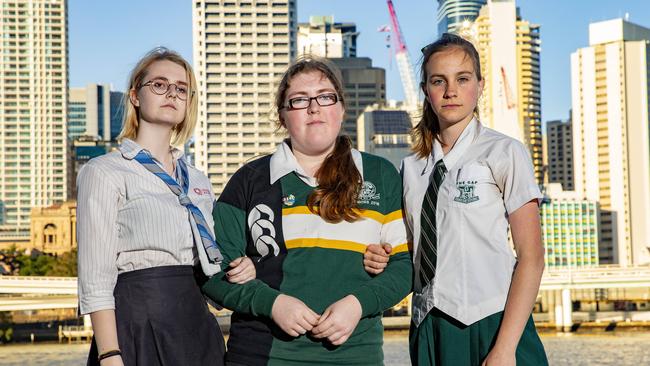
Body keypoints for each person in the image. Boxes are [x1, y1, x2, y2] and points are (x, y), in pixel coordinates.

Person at [200, 56, 413, 365]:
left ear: (341, 108)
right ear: (283, 116)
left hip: (355, 356)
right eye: (299, 100)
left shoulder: (379, 174)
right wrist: (272, 304)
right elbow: (212, 272)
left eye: (325, 96)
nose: (314, 107)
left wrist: (357, 304)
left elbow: (404, 266)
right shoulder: (250, 180)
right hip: (262, 355)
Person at [364, 33, 549, 365]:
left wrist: (505, 349)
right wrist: (383, 255)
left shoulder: (505, 152)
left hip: (492, 322)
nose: (451, 90)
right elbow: (413, 250)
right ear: (426, 91)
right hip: (427, 325)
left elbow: (532, 257)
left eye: (462, 79)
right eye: (439, 80)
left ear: (479, 85)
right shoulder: (411, 168)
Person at [77, 47, 256, 366]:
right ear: (135, 95)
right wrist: (109, 353)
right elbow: (96, 276)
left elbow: (208, 265)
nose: (172, 93)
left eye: (182, 88)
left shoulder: (198, 179)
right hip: (138, 325)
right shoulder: (104, 171)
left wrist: (240, 268)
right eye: (159, 84)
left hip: (196, 324)